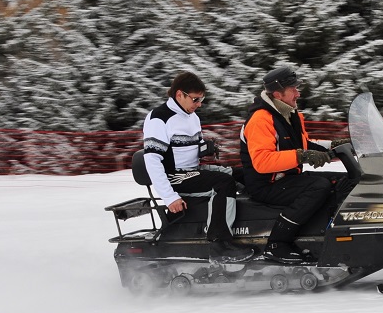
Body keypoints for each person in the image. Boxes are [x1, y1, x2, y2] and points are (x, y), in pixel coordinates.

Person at [141, 71, 242, 261]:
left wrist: (204, 148)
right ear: (180, 94)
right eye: (196, 99)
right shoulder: (159, 118)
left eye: (202, 99)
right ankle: (220, 245)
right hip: (174, 177)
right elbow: (152, 161)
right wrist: (170, 197)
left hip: (193, 171)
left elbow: (186, 148)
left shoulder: (192, 116)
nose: (199, 104)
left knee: (241, 174)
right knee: (224, 183)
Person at [239, 66, 335, 264]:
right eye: (293, 89)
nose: (298, 93)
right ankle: (277, 243)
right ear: (277, 94)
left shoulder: (290, 114)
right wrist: (301, 156)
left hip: (287, 178)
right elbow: (262, 162)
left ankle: (327, 236)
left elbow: (304, 145)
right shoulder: (260, 120)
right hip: (266, 184)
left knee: (340, 180)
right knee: (319, 186)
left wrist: (335, 147)